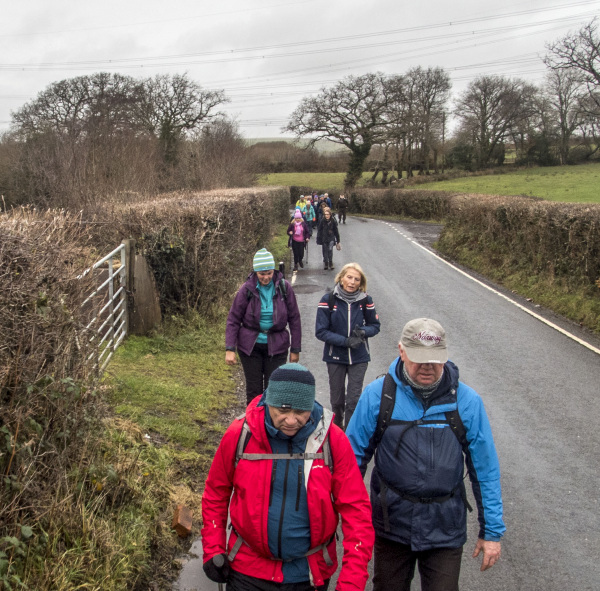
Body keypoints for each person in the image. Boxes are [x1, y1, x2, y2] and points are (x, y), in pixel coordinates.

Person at [346, 318, 505, 591]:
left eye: (435, 359)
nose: (428, 367)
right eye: (419, 358)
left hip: (445, 527)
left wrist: (491, 532)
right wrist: (344, 520)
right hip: (391, 523)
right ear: (401, 351)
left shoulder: (467, 402)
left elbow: (485, 470)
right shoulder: (378, 396)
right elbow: (350, 462)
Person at [201, 363, 375, 591]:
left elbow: (356, 511)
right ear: (267, 401)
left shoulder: (333, 441)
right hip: (246, 570)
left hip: (308, 575)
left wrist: (352, 581)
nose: (291, 420)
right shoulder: (240, 434)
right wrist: (213, 548)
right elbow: (216, 492)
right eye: (282, 410)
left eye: (300, 411)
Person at [226, 249, 301, 404]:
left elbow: (294, 319)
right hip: (250, 346)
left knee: (273, 390)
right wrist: (230, 349)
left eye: (269, 273)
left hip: (278, 346)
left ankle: (269, 426)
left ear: (273, 270)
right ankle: (253, 426)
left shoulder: (284, 288)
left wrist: (295, 349)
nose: (266, 277)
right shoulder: (246, 289)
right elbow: (233, 318)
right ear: (255, 272)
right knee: (254, 391)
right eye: (261, 274)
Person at [315, 263, 380, 429]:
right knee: (337, 401)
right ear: (341, 278)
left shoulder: (366, 300)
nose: (352, 282)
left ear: (361, 282)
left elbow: (375, 325)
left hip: (359, 357)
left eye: (356, 279)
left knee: (353, 400)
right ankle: (337, 430)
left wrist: (363, 332)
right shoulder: (328, 300)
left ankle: (350, 435)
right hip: (335, 356)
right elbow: (321, 331)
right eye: (349, 277)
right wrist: (345, 341)